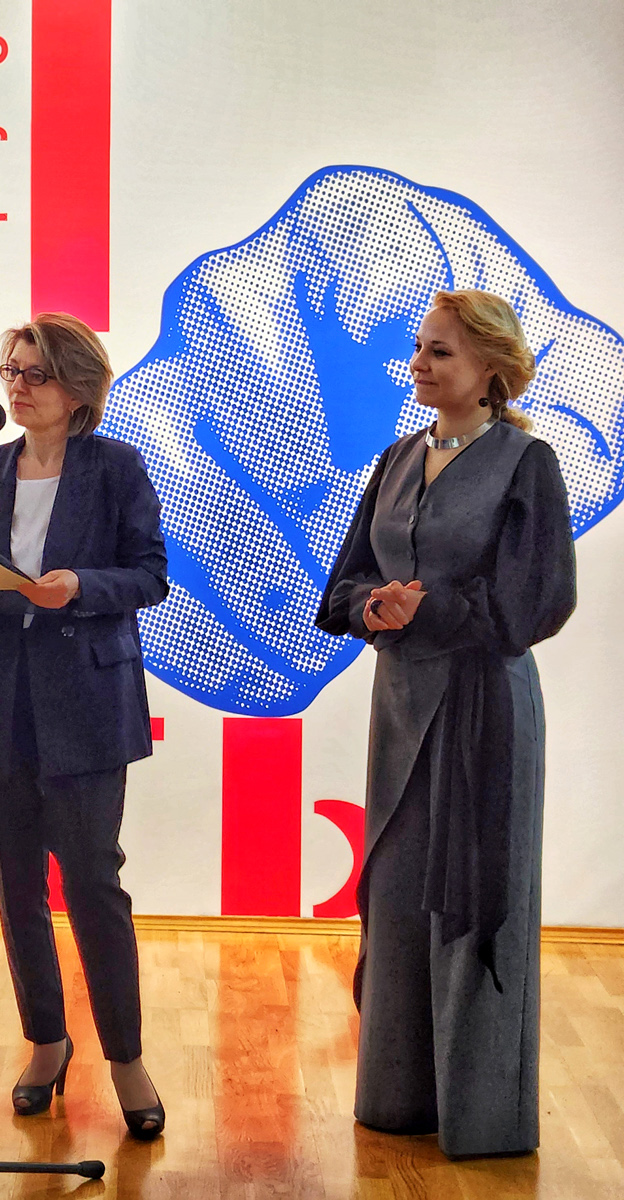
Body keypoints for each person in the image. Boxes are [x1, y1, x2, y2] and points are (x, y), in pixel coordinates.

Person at [316, 289, 576, 1158]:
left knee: (476, 895)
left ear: (492, 369)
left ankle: (482, 1119)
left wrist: (428, 609)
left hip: (484, 710)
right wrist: (372, 607)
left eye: (441, 353)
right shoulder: (396, 458)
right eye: (420, 348)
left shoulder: (526, 463)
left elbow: (537, 601)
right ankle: (397, 1100)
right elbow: (345, 583)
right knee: (396, 896)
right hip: (401, 707)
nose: (420, 365)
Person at [0, 313, 169, 1136]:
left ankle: (126, 1058)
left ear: (78, 389)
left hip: (85, 704)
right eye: (12, 371)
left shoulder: (115, 467)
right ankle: (46, 1042)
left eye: (36, 374)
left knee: (94, 886)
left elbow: (149, 575)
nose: (18, 386)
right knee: (16, 886)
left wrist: (80, 586)